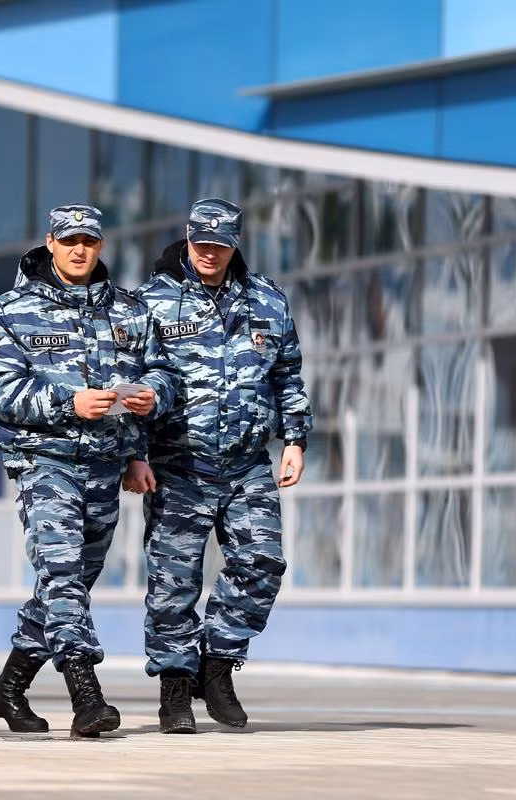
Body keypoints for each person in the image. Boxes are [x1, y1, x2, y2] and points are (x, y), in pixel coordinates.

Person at [0, 204, 176, 739]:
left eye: (88, 240)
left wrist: (143, 427)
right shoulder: (12, 310)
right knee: (62, 573)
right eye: (69, 241)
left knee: (67, 584)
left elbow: (158, 372)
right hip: (45, 464)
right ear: (50, 243)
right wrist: (69, 402)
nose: (79, 250)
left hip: (106, 467)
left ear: (101, 245)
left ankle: (9, 689)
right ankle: (87, 697)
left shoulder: (128, 312)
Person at [123, 198, 312, 734]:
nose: (209, 254)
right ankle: (175, 691)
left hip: (248, 463)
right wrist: (133, 454)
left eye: (220, 245)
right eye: (201, 243)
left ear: (235, 245)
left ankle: (218, 665)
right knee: (174, 582)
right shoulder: (150, 303)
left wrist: (294, 438)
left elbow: (288, 375)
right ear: (187, 238)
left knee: (263, 564)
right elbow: (133, 383)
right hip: (178, 463)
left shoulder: (266, 301)